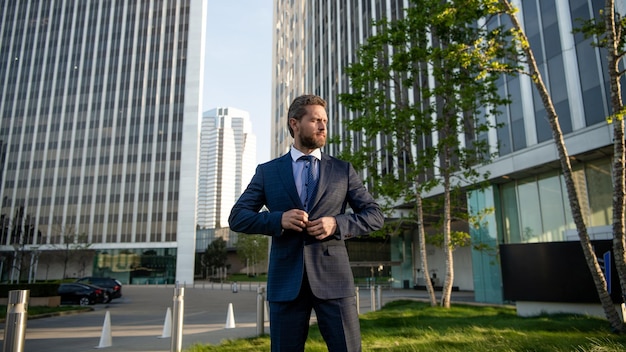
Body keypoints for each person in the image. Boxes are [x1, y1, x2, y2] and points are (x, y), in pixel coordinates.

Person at [229, 94, 384, 352]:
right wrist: (278, 219)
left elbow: (375, 215)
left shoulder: (342, 170)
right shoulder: (268, 172)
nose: (323, 126)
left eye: (325, 120)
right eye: (315, 120)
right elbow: (237, 217)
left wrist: (336, 224)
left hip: (335, 282)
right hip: (285, 284)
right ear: (295, 124)